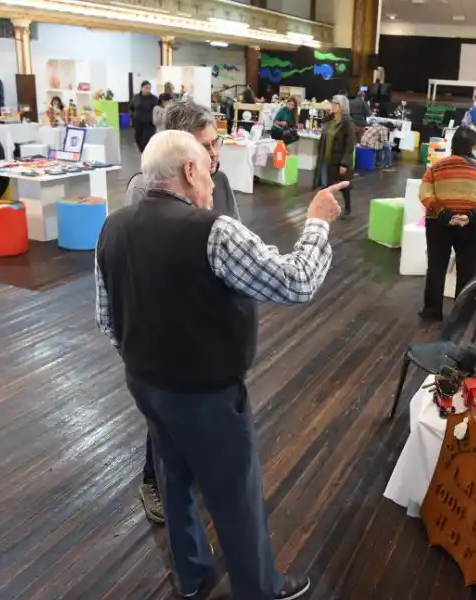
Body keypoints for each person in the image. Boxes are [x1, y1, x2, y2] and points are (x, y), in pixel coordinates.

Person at [96, 129, 346, 599]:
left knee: (174, 480)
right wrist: (316, 223)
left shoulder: (113, 226)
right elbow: (295, 283)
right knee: (235, 495)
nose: (212, 183)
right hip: (206, 392)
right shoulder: (213, 230)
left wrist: (147, 357)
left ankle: (192, 578)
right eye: (208, 170)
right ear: (189, 171)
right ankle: (260, 588)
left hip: (145, 383)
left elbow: (106, 318)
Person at [126, 102, 241, 525]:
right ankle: (153, 480)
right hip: (166, 323)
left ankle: (190, 478)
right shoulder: (144, 191)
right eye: (208, 145)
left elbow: (234, 232)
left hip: (208, 320)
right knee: (166, 416)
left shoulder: (221, 180)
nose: (215, 153)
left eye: (217, 142)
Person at [419, 127, 476, 321]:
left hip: (438, 223)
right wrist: (470, 216)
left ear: (453, 143)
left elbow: (425, 194)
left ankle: (432, 311)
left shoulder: (436, 167)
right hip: (473, 226)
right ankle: (462, 313)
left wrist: (446, 214)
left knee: (436, 266)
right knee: (467, 268)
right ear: (473, 145)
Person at [313, 95, 356, 218]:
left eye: (336, 104)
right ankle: (326, 208)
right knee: (325, 185)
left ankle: (347, 208)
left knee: (343, 186)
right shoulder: (329, 120)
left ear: (342, 106)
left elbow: (350, 145)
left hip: (339, 160)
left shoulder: (347, 123)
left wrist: (344, 163)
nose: (333, 106)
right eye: (333, 103)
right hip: (326, 159)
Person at [129, 81, 158, 152]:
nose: (148, 89)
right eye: (146, 88)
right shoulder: (136, 97)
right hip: (138, 123)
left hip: (149, 124)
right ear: (141, 88)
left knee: (146, 140)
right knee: (138, 139)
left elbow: (157, 109)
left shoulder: (154, 99)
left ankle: (146, 153)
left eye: (149, 88)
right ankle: (143, 152)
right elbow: (130, 107)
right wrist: (132, 115)